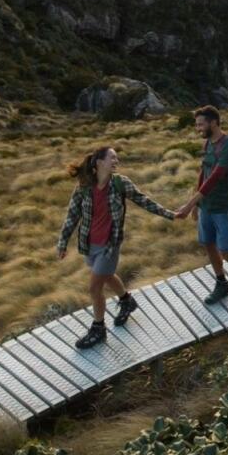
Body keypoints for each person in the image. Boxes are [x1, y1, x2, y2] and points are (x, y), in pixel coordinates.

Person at [59, 146, 175, 349]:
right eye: (112, 158)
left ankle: (98, 329)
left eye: (117, 158)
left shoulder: (121, 183)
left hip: (109, 245)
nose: (116, 161)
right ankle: (126, 300)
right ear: (99, 162)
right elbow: (72, 216)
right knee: (108, 276)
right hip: (89, 244)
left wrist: (170, 214)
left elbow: (144, 201)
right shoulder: (84, 186)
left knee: (95, 287)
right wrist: (63, 242)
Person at [176, 105, 228, 303]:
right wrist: (198, 205)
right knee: (208, 244)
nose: (198, 128)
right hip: (206, 205)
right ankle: (222, 283)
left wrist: (189, 204)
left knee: (225, 250)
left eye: (201, 124)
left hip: (224, 207)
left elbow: (215, 178)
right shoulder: (208, 143)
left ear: (214, 122)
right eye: (196, 125)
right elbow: (204, 173)